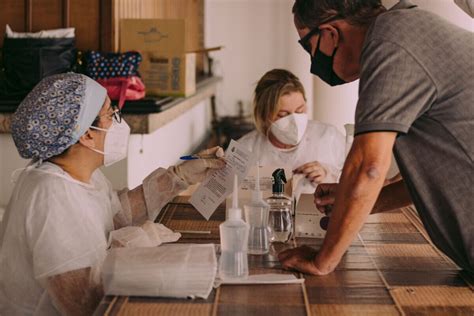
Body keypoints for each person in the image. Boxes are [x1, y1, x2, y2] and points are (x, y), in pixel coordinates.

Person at [0, 73, 226, 315]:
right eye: (111, 114)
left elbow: (114, 214)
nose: (119, 121)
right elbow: (85, 302)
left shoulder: (74, 172)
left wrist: (179, 176)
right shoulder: (51, 195)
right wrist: (133, 245)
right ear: (86, 135)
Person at [279, 0, 473, 275]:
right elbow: (440, 173)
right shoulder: (407, 32)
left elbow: (368, 167)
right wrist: (350, 199)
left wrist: (321, 261)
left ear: (331, 33)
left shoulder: (391, 42)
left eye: (308, 45)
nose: (313, 61)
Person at [238, 69, 346, 189]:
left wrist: (327, 175)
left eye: (300, 110)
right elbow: (224, 198)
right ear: (264, 114)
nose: (295, 122)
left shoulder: (328, 137)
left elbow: (358, 181)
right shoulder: (245, 149)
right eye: (283, 115)